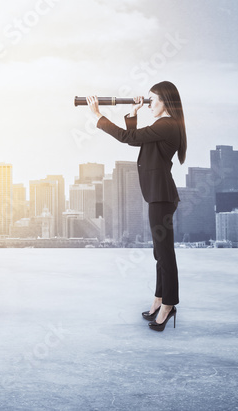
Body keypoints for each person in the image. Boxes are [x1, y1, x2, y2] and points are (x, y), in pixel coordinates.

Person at [86, 81, 187, 332]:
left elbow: (126, 137)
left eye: (153, 99)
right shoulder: (164, 126)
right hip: (158, 195)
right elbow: (136, 140)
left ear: (165, 100)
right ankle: (159, 299)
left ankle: (169, 305)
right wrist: (133, 114)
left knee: (165, 254)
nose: (150, 103)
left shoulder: (167, 124)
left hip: (161, 196)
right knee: (159, 253)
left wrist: (98, 115)